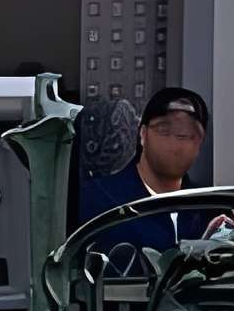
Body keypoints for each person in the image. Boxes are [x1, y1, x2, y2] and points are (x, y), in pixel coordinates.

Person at [74, 87, 219, 259]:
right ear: (143, 134)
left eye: (185, 135)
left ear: (198, 144)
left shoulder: (207, 210)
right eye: (164, 131)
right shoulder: (99, 200)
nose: (174, 144)